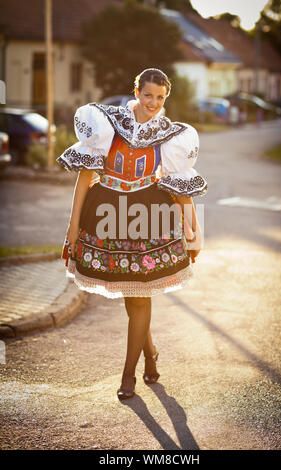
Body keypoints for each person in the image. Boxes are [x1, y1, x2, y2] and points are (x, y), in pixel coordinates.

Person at [56, 68, 208, 400]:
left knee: (140, 296)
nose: (154, 103)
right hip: (105, 214)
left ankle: (129, 375)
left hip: (149, 218)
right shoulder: (106, 124)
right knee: (132, 296)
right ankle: (150, 354)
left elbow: (180, 187)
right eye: (148, 94)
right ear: (136, 91)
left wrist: (193, 229)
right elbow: (85, 178)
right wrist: (73, 224)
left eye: (161, 97)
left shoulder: (171, 137)